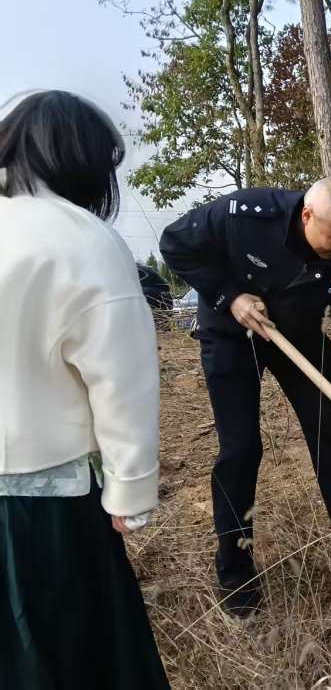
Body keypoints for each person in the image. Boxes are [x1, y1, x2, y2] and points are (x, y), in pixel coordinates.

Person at [160, 175, 331, 619]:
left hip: (298, 336)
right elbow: (175, 243)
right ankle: (236, 574)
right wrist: (230, 296)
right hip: (232, 332)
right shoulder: (246, 214)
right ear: (308, 215)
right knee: (241, 450)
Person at [0, 90, 168, 689]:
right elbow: (122, 381)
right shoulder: (82, 240)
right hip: (40, 506)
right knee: (67, 658)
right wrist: (130, 490)